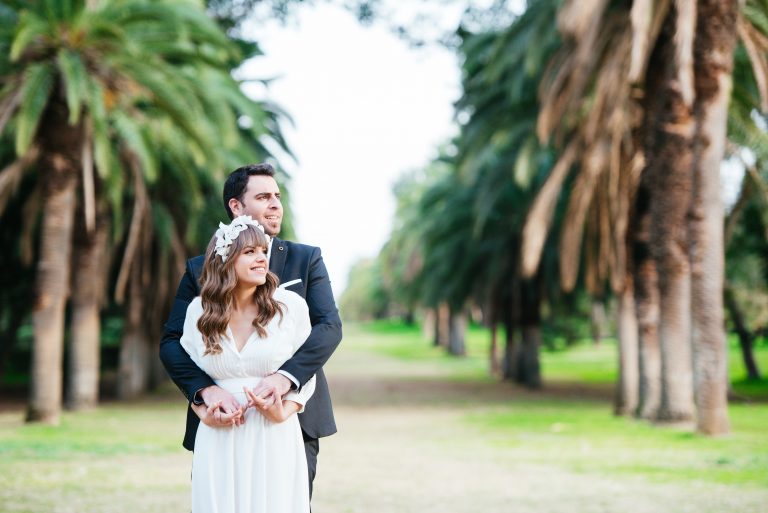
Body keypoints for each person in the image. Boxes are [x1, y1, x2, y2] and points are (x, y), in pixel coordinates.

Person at [159, 163, 342, 499]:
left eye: (277, 196)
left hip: (290, 419)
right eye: (263, 197)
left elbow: (328, 328)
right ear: (236, 206)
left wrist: (285, 380)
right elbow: (172, 342)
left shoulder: (306, 259)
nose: (275, 204)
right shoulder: (200, 269)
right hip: (221, 419)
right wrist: (204, 392)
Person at [181, 217, 313, 512]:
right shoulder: (198, 312)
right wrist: (204, 412)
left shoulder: (289, 306)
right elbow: (188, 371)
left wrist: (284, 411)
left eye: (263, 251)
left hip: (274, 432)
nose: (262, 258)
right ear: (225, 260)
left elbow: (308, 369)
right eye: (250, 252)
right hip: (218, 435)